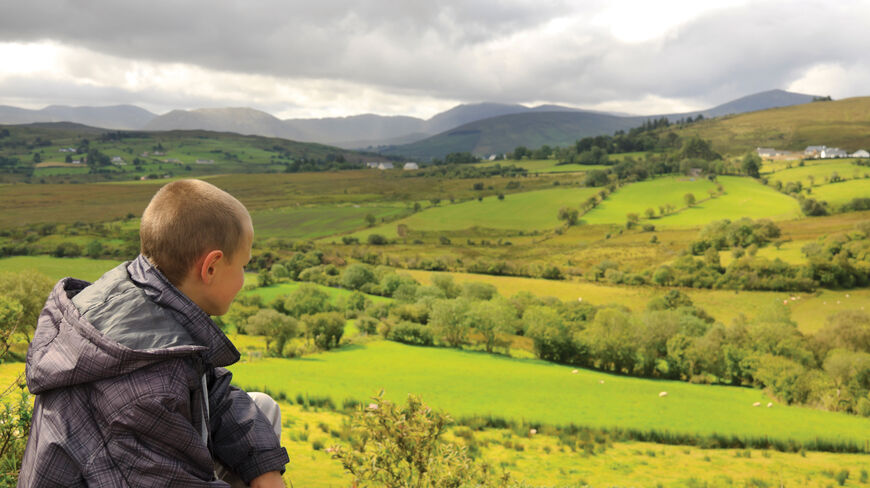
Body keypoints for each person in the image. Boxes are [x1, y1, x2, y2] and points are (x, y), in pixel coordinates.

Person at [18, 179, 289, 487]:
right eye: (243, 266)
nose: (243, 278)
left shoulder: (142, 301)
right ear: (211, 267)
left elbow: (213, 389)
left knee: (261, 408)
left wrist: (265, 468)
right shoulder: (147, 387)